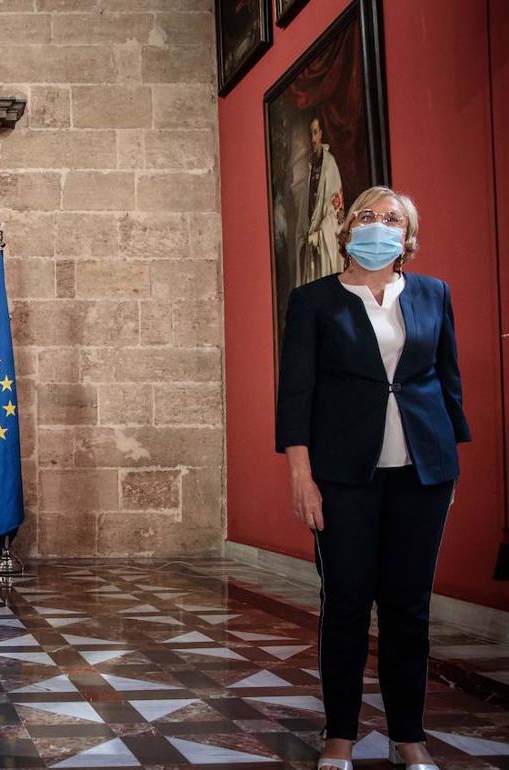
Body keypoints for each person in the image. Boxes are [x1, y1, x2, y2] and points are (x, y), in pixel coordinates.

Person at [276, 186, 468, 770]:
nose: (378, 225)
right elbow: (297, 394)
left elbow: (447, 381)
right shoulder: (313, 300)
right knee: (347, 604)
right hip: (342, 476)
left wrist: (445, 466)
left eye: (392, 219)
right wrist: (301, 476)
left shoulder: (434, 294)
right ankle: (340, 735)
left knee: (409, 608)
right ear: (347, 227)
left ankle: (408, 736)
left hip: (422, 475)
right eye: (368, 215)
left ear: (407, 237)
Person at [298, 116, 345, 284]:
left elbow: (335, 210)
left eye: (315, 133)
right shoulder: (311, 169)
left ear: (322, 134)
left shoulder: (329, 166)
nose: (312, 139)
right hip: (312, 246)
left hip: (324, 242)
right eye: (311, 133)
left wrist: (320, 235)